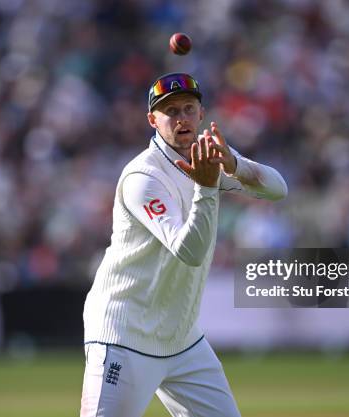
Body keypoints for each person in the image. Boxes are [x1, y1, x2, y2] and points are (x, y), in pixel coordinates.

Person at [80, 72, 288, 417]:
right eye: (171, 111)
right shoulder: (142, 177)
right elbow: (189, 252)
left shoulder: (209, 156)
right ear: (153, 120)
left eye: (188, 109)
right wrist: (207, 188)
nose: (181, 119)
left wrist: (234, 165)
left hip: (181, 340)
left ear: (201, 114)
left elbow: (277, 189)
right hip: (123, 336)